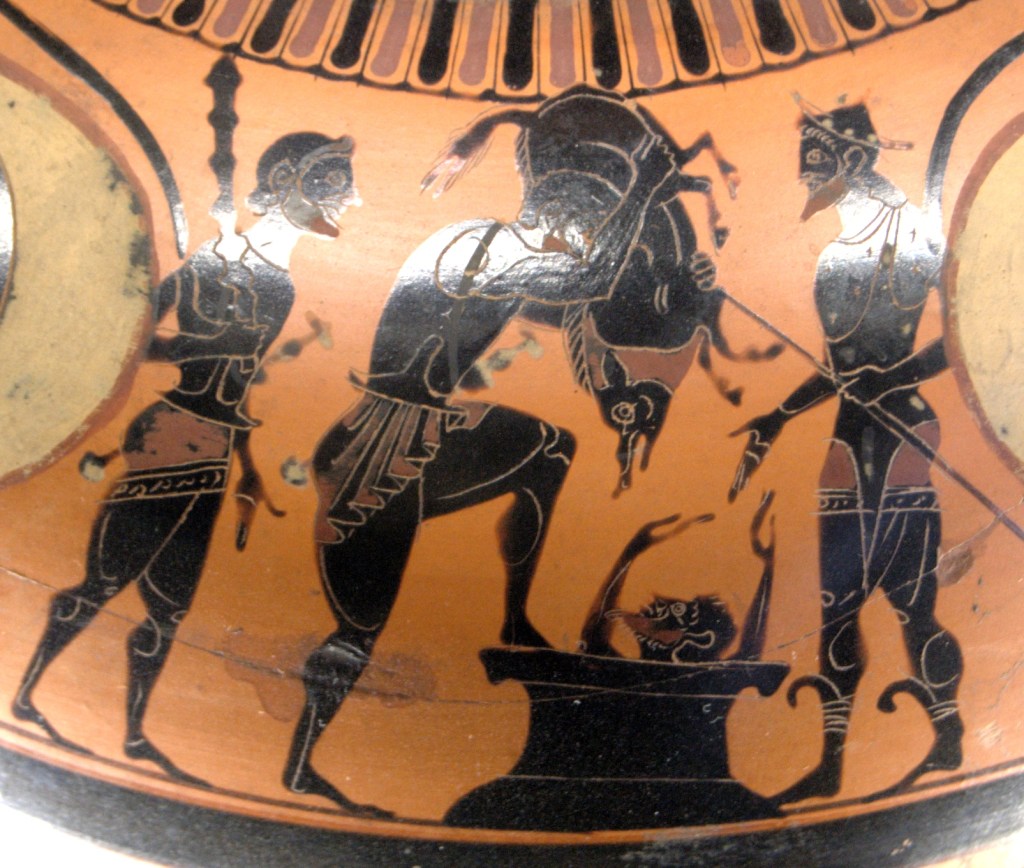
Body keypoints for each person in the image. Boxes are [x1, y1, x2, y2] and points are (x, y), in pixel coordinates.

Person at [282, 111, 689, 817]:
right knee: (358, 631)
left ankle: (515, 619)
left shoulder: (499, 250)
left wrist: (675, 298)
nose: (581, 235)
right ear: (556, 210)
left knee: (550, 448)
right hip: (381, 443)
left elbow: (578, 301)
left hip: (428, 426)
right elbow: (586, 278)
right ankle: (298, 770)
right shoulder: (486, 245)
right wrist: (644, 193)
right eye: (582, 221)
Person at [12, 132, 360, 786]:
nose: (352, 199)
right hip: (171, 431)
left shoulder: (281, 286)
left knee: (169, 608)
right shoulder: (211, 257)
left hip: (217, 445)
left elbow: (238, 384)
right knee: (104, 581)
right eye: (334, 182)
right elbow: (139, 333)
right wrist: (197, 345)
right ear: (287, 181)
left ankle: (134, 736)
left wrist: (248, 465)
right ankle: (26, 698)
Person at [729, 102, 963, 803]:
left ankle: (949, 737)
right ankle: (831, 762)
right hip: (845, 433)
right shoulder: (833, 260)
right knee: (835, 607)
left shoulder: (918, 230)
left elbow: (964, 330)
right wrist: (776, 417)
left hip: (904, 428)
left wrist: (892, 378)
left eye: (816, 162)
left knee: (912, 603)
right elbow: (838, 369)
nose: (805, 176)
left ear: (854, 160)